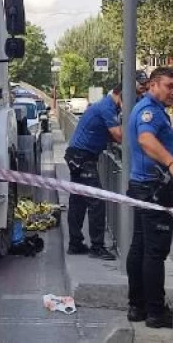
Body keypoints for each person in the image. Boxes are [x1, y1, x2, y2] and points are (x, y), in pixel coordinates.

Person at [125, 67, 173, 329]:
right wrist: (171, 162)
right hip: (153, 188)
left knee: (140, 248)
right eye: (169, 86)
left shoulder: (149, 108)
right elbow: (146, 139)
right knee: (154, 253)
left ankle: (138, 306)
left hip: (143, 186)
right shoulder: (149, 111)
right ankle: (156, 312)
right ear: (154, 85)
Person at [64, 84, 123, 261]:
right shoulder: (107, 107)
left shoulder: (105, 105)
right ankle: (97, 247)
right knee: (97, 201)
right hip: (83, 157)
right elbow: (118, 135)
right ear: (120, 94)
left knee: (79, 201)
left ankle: (75, 244)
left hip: (78, 156)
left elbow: (111, 135)